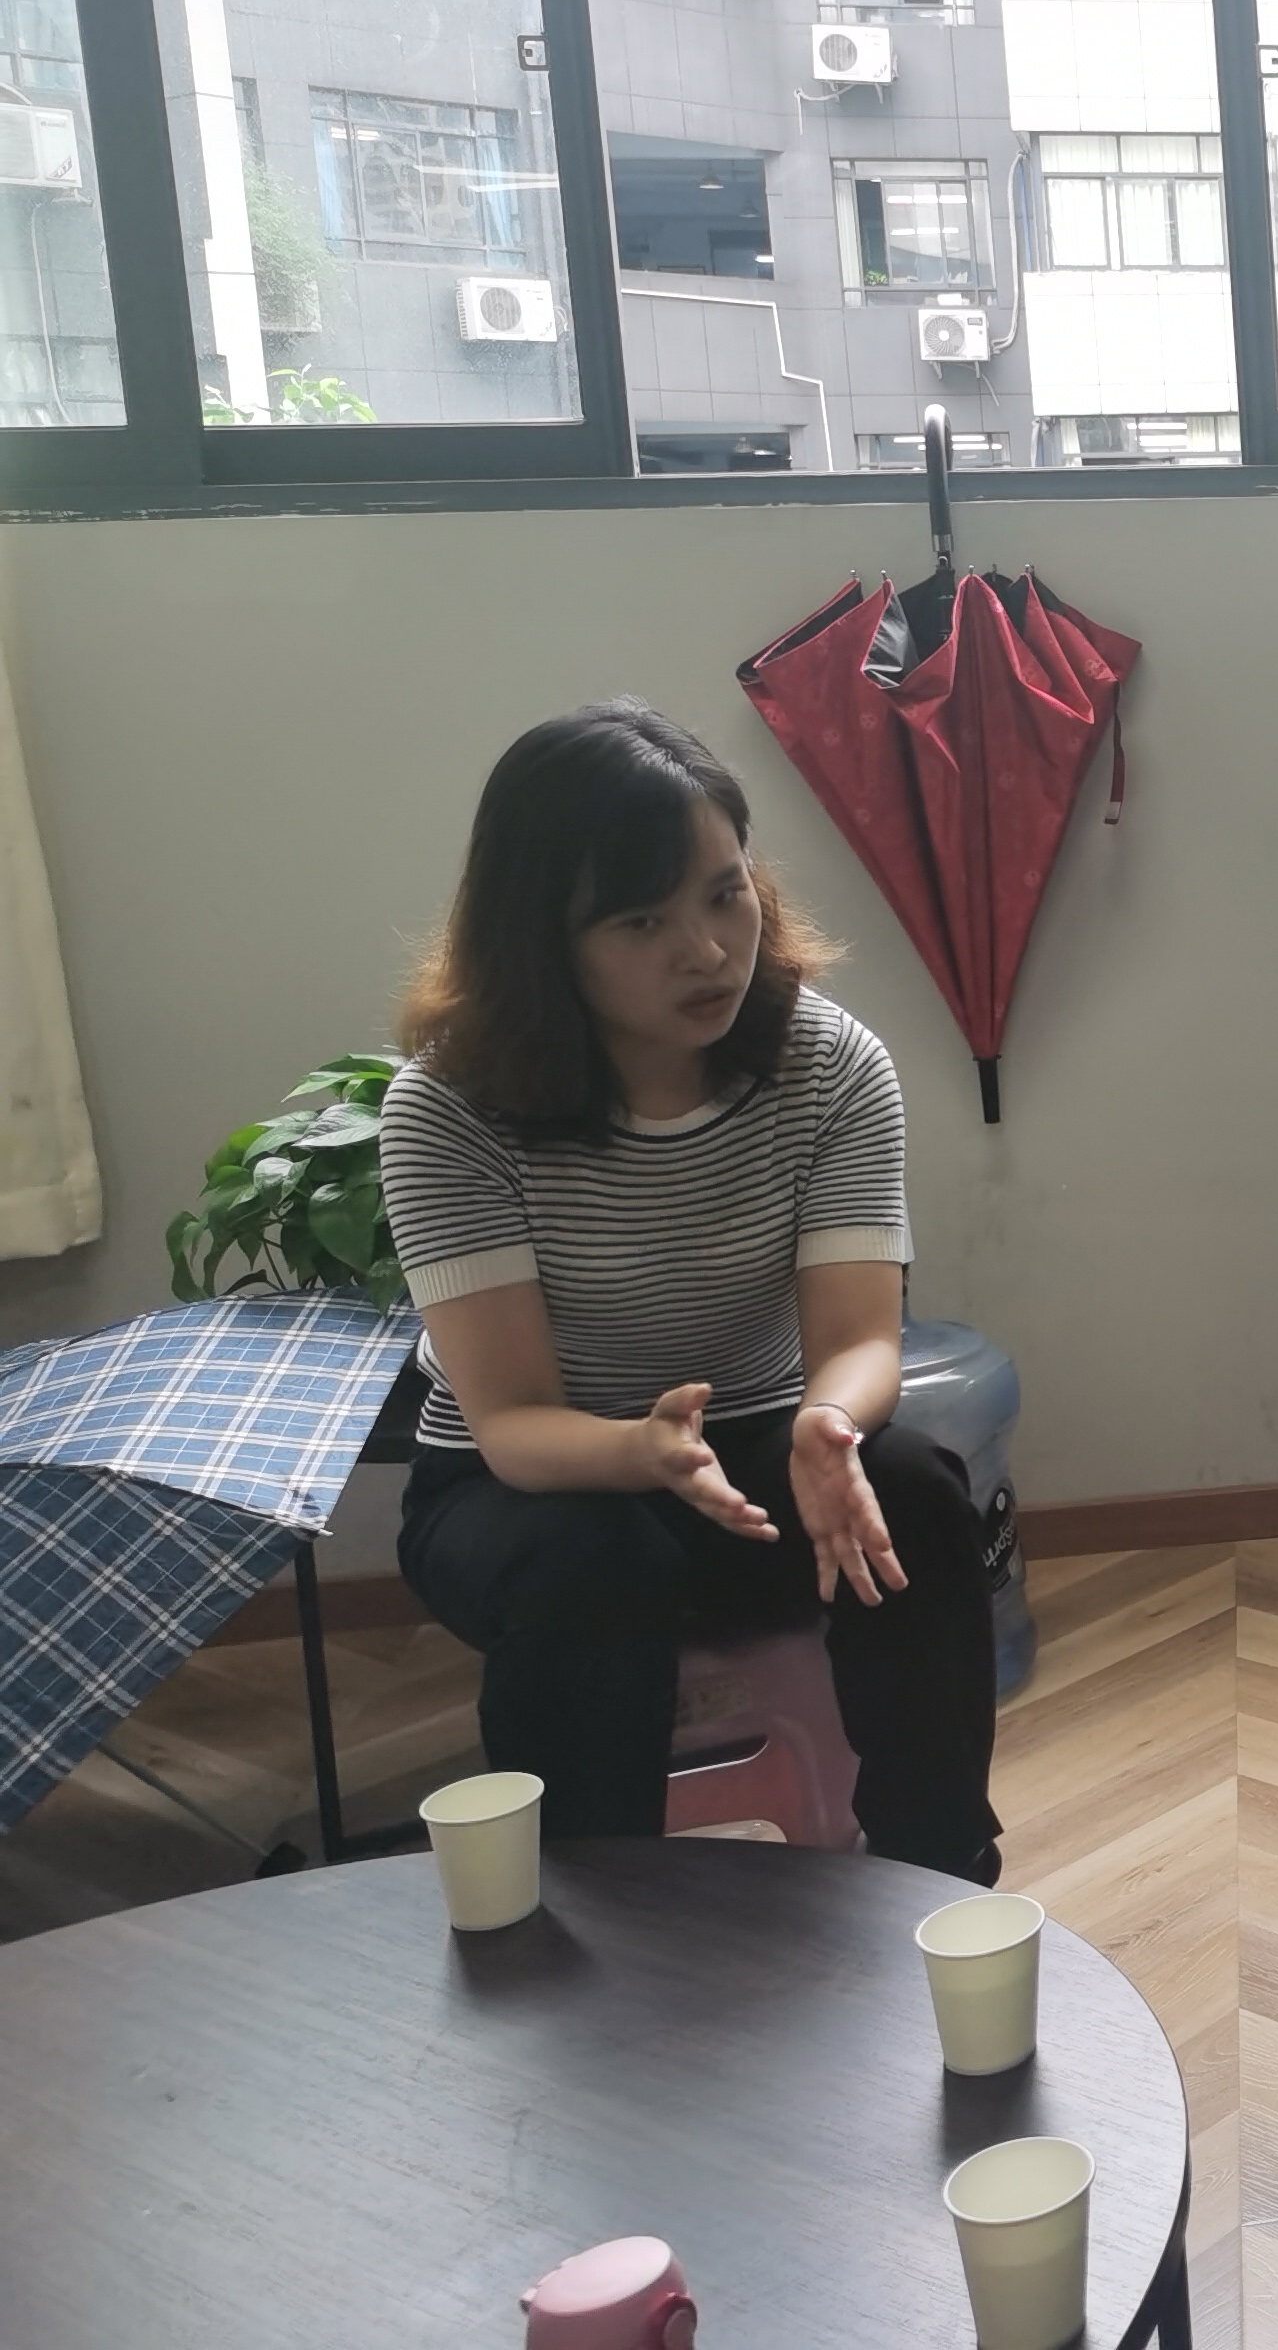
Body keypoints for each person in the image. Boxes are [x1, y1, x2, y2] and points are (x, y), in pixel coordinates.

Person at [384, 700, 1001, 1883]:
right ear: (542, 939)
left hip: (753, 1444)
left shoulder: (828, 1063)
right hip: (524, 1488)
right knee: (596, 1565)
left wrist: (829, 1424)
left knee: (914, 1494)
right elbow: (511, 1423)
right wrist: (641, 1451)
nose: (709, 951)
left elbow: (861, 1337)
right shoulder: (449, 1111)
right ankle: (596, 1911)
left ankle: (940, 1879)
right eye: (641, 921)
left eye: (725, 895)